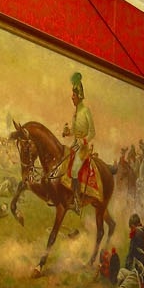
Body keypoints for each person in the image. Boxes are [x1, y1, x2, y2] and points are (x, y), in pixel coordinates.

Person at [54, 70, 95, 214]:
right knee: (63, 164)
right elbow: (74, 130)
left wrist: (83, 141)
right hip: (74, 145)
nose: (72, 97)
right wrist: (67, 132)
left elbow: (92, 132)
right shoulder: (75, 112)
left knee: (75, 170)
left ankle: (77, 201)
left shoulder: (86, 111)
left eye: (74, 95)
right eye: (72, 95)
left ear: (79, 96)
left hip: (83, 148)